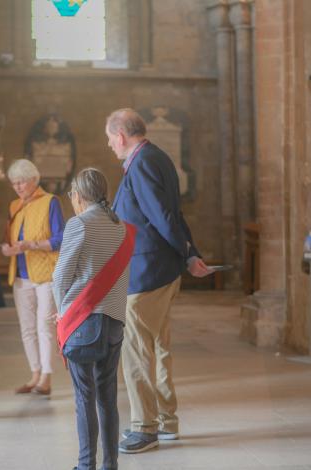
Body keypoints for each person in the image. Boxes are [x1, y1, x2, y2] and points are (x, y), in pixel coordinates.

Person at [105, 109, 212, 453]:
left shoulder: (142, 162)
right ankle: (166, 421)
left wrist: (186, 254)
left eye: (110, 139)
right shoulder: (158, 157)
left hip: (147, 273)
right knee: (160, 347)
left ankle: (145, 426)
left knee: (135, 349)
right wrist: (190, 253)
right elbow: (172, 213)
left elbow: (162, 215)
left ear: (121, 136)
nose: (110, 145)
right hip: (160, 269)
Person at [53, 168, 134, 470]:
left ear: (78, 195)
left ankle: (86, 465)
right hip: (114, 321)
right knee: (107, 396)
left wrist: (62, 310)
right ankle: (109, 464)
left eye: (72, 195)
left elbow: (60, 277)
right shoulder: (122, 227)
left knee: (84, 395)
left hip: (84, 322)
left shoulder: (79, 224)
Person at [1, 159, 64, 395]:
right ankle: (34, 373)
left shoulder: (50, 202)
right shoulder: (14, 205)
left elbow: (61, 238)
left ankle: (46, 377)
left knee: (44, 326)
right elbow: (10, 239)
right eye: (14, 183)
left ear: (34, 180)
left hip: (46, 273)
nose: (17, 187)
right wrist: (8, 249)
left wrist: (32, 244)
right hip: (20, 274)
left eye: (22, 182)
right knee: (27, 328)